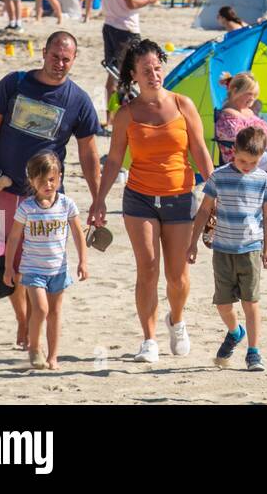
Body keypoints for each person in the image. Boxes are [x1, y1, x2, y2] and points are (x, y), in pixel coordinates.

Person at [0, 32, 102, 351]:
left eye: (66, 59)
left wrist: (98, 198)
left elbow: (89, 153)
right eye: (55, 56)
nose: (59, 64)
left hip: (48, 200)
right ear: (43, 53)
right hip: (5, 188)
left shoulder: (78, 100)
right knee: (12, 262)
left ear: (73, 61)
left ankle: (35, 324)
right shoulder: (14, 85)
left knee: (43, 262)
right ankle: (23, 319)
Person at [93, 39, 217, 364]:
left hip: (179, 198)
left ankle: (176, 320)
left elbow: (201, 153)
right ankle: (148, 340)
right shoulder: (126, 115)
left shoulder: (182, 105)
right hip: (139, 199)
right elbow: (115, 160)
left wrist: (216, 194)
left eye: (157, 67)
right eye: (146, 70)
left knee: (177, 276)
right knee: (147, 269)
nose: (154, 74)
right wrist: (99, 200)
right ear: (133, 75)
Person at [187, 126, 267, 373]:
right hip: (223, 250)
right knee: (223, 305)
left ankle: (254, 352)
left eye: (253, 162)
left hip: (251, 250)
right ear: (232, 152)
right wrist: (192, 243)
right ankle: (235, 332)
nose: (247, 166)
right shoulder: (219, 176)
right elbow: (204, 210)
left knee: (251, 302)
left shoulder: (263, 180)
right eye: (242, 160)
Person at [2, 150, 87, 370]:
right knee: (40, 309)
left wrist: (83, 261)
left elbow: (78, 234)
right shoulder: (27, 207)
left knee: (56, 312)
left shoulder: (67, 204)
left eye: (52, 179)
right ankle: (34, 346)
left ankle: (53, 356)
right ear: (31, 181)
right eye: (41, 181)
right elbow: (13, 239)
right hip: (33, 269)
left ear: (59, 177)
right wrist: (8, 267)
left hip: (58, 268)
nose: (47, 185)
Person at [98, 0, 159, 132]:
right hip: (126, 29)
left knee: (113, 75)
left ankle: (111, 119)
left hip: (109, 25)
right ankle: (123, 120)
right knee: (128, 76)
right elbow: (131, 3)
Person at [216, 71, 267, 175]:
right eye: (250, 94)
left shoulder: (247, 111)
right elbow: (245, 143)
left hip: (264, 154)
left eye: (255, 95)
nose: (253, 98)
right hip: (246, 160)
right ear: (235, 91)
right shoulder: (228, 118)